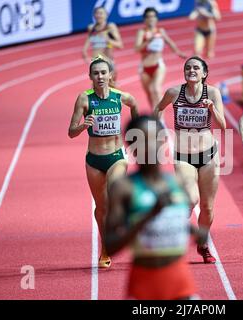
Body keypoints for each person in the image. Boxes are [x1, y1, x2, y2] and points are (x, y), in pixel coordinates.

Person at [105, 115, 206, 300]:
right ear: (130, 145)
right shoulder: (123, 188)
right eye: (140, 140)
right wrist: (149, 214)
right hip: (143, 284)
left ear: (163, 141)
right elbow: (110, 245)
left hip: (180, 282)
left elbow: (168, 224)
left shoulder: (177, 182)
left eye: (154, 139)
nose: (148, 146)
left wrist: (193, 231)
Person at [153, 56, 226, 263]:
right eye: (188, 67)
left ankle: (203, 245)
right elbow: (158, 109)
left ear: (204, 73)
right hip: (183, 156)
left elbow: (221, 125)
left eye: (196, 68)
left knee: (208, 207)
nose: (191, 70)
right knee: (192, 199)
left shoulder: (212, 93)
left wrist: (212, 108)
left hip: (208, 155)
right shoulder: (174, 92)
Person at [68, 56, 138, 268]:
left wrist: (134, 132)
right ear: (90, 76)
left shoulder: (120, 96)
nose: (100, 76)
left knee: (114, 193)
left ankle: (126, 219)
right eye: (96, 73)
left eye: (103, 73)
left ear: (110, 75)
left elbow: (134, 104)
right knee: (101, 207)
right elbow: (71, 132)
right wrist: (83, 126)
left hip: (116, 156)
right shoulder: (84, 99)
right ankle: (105, 248)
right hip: (94, 160)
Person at [135, 7, 187, 109]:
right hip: (144, 67)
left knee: (156, 90)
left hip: (158, 64)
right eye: (149, 17)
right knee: (149, 94)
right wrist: (148, 41)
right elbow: (137, 49)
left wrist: (178, 52)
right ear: (144, 19)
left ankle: (161, 120)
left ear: (156, 19)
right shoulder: (142, 32)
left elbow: (169, 42)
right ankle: (155, 114)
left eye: (153, 16)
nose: (151, 19)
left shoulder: (161, 31)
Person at [82, 7, 123, 84]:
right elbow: (89, 39)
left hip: (108, 63)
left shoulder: (110, 27)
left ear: (106, 15)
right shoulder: (91, 27)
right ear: (94, 15)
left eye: (101, 13)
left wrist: (108, 40)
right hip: (96, 63)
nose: (98, 15)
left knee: (110, 89)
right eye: (97, 13)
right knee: (97, 90)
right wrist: (84, 50)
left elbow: (120, 45)